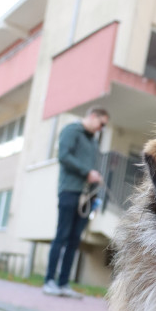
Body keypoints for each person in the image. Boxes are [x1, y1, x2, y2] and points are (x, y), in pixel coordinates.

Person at [43, 106, 109, 298]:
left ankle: (63, 283)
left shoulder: (93, 142)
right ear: (92, 116)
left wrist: (95, 176)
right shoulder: (71, 131)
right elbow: (63, 156)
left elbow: (91, 166)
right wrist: (86, 172)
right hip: (70, 191)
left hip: (87, 195)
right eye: (101, 123)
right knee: (61, 236)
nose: (101, 128)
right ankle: (49, 281)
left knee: (74, 241)